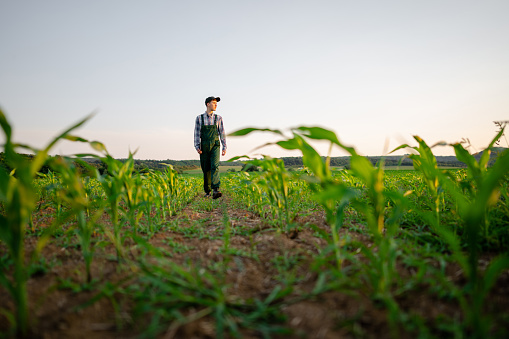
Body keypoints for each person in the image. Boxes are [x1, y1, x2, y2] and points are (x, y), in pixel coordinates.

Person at [194, 96, 227, 199]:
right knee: (206, 168)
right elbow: (197, 133)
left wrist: (224, 146)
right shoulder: (199, 118)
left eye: (216, 103)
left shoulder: (219, 118)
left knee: (215, 166)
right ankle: (207, 191)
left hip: (215, 145)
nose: (216, 105)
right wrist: (197, 146)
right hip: (204, 145)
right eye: (213, 103)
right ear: (208, 104)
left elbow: (222, 133)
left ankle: (216, 190)